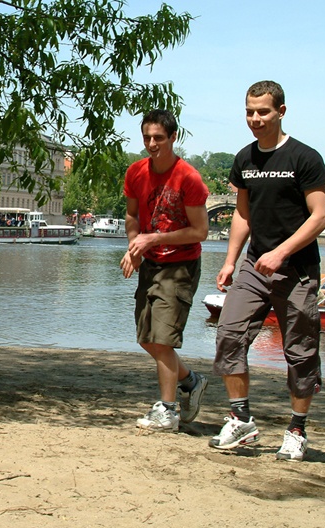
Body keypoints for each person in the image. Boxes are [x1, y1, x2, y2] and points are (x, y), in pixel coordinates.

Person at [210, 81, 325, 461]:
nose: (255, 119)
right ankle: (241, 420)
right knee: (229, 334)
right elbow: (242, 214)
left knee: (300, 351)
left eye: (263, 111)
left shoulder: (304, 157)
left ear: (281, 111)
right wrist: (231, 260)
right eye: (249, 112)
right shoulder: (245, 159)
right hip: (254, 265)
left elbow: (321, 216)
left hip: (297, 269)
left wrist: (281, 252)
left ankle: (297, 429)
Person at [120, 109, 210, 432]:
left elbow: (200, 231)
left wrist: (154, 238)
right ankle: (192, 382)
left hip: (180, 265)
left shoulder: (188, 178)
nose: (151, 143)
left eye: (158, 137)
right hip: (151, 262)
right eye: (147, 137)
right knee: (146, 338)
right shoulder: (136, 172)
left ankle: (168, 410)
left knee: (162, 340)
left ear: (173, 137)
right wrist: (134, 247)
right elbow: (132, 216)